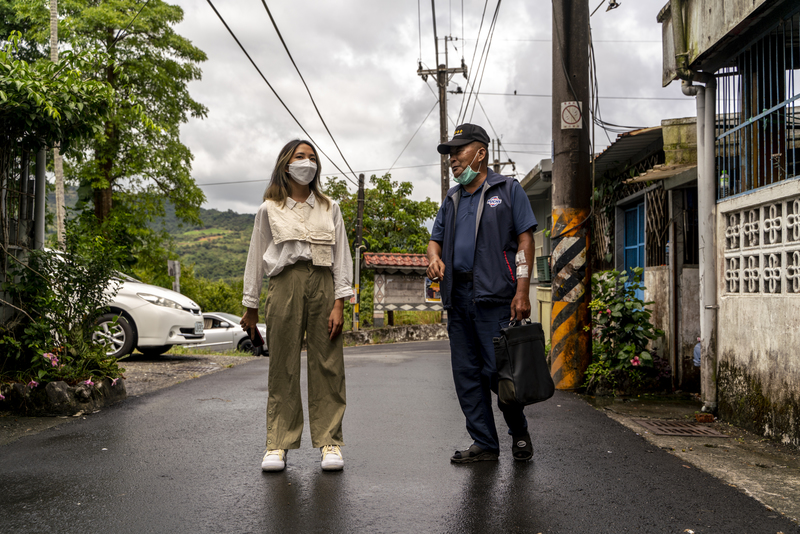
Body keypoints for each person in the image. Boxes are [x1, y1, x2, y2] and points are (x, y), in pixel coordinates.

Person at [426, 123, 538, 463]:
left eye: (458, 152)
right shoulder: (452, 198)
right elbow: (436, 240)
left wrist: (522, 291)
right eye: (449, 155)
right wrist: (433, 259)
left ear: (480, 152)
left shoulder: (507, 190)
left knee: (498, 373)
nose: (453, 160)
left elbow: (525, 240)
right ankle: (485, 444)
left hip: (496, 298)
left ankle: (518, 430)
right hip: (458, 297)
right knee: (467, 374)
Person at [240, 139, 353, 472]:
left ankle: (329, 441)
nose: (307, 162)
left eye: (312, 158)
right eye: (300, 157)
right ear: (285, 165)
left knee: (329, 364)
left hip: (323, 283)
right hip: (284, 283)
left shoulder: (329, 207)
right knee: (283, 366)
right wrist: (251, 304)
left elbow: (342, 256)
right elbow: (255, 256)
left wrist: (340, 304)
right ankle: (278, 443)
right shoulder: (268, 209)